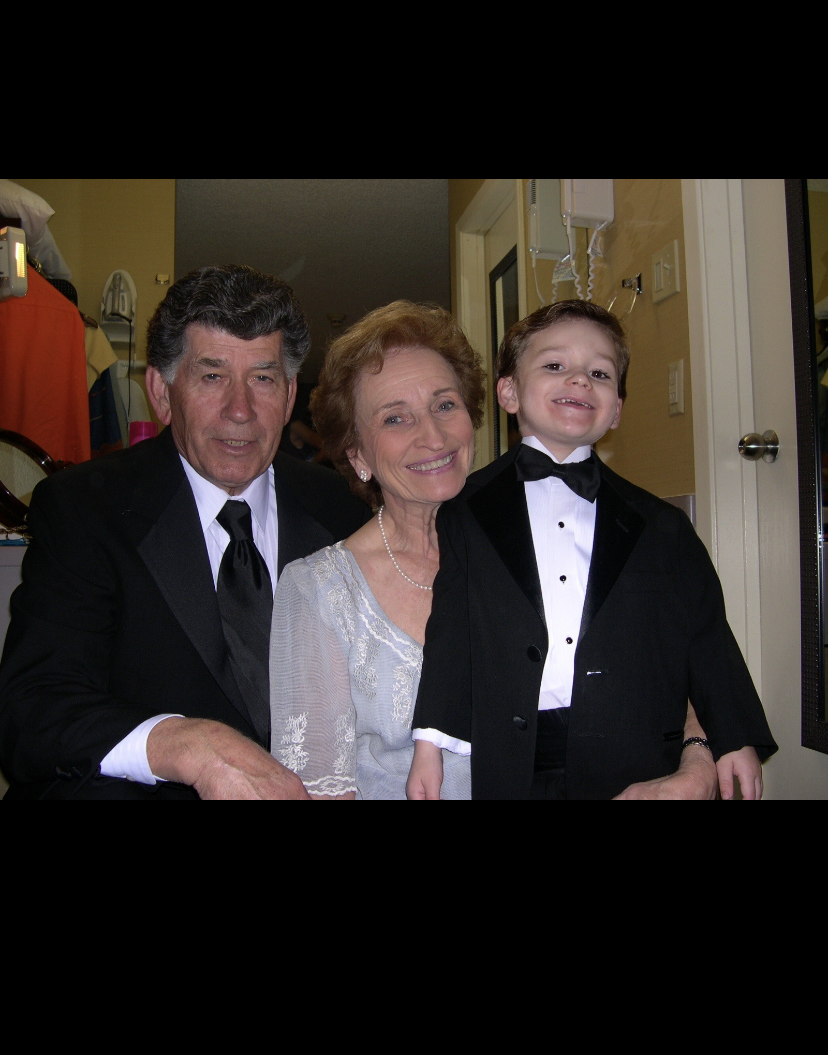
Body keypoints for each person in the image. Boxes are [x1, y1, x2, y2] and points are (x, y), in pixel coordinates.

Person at [0, 266, 370, 800]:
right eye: (212, 375)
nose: (239, 410)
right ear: (161, 391)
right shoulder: (86, 508)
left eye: (263, 378)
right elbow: (30, 714)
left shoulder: (344, 511)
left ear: (290, 396)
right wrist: (184, 744)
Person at [407, 300, 777, 801]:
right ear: (509, 392)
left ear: (617, 408)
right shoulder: (464, 510)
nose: (580, 380)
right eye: (555, 365)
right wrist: (431, 743)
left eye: (600, 373)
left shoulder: (661, 525)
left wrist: (735, 739)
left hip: (636, 758)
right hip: (513, 760)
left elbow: (705, 634)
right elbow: (450, 634)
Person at [268, 302, 486, 798]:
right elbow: (316, 786)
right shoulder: (319, 590)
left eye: (445, 405)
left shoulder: (521, 553)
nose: (432, 436)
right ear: (358, 454)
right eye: (395, 418)